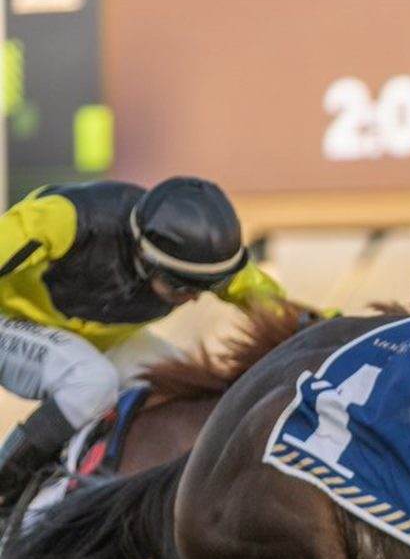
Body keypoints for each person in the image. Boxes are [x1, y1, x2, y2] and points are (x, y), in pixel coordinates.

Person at [0, 177, 284, 507]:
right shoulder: (64, 219)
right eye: (183, 287)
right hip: (8, 321)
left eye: (206, 287)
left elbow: (276, 305)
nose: (193, 298)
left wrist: (320, 324)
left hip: (95, 339)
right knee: (90, 382)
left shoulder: (200, 260)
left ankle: (87, 491)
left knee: (182, 387)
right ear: (145, 257)